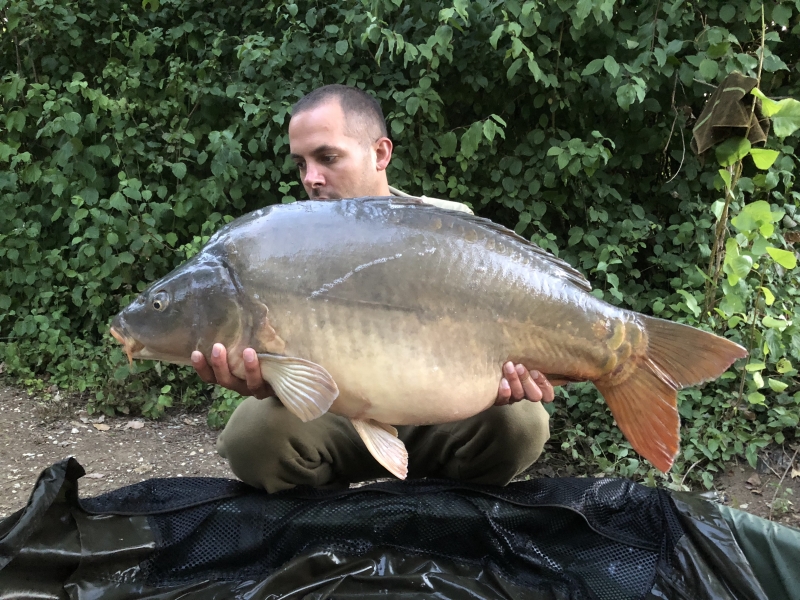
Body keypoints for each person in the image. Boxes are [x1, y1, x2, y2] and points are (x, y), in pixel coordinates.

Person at [192, 84, 554, 492]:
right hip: (337, 411)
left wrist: (515, 374)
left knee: (521, 420)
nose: (311, 178)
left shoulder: (449, 232)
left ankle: (450, 512)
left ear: (380, 153)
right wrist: (265, 377)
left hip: (440, 411)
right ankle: (333, 529)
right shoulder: (286, 246)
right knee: (252, 438)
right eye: (301, 164)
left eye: (327, 158)